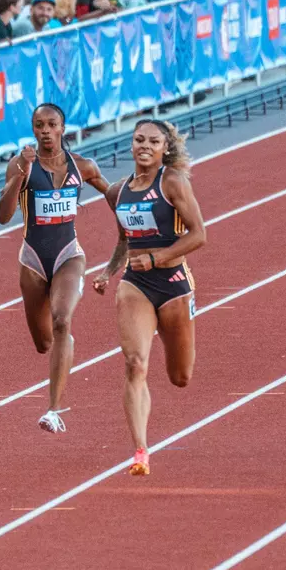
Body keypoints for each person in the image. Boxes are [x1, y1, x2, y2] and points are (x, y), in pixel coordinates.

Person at [93, 120, 207, 475]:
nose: (144, 145)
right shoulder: (117, 192)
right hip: (135, 284)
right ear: (131, 145)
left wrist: (157, 258)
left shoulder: (172, 182)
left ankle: (144, 440)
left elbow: (199, 234)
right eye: (139, 139)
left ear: (164, 148)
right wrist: (109, 271)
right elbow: (124, 241)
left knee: (180, 376)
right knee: (135, 363)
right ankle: (140, 450)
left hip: (173, 281)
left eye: (153, 141)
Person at [0, 103, 108, 433]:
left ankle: (54, 409)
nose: (45, 130)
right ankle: (59, 347)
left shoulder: (83, 166)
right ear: (33, 130)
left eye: (51, 124)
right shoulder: (22, 166)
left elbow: (115, 195)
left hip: (68, 255)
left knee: (62, 320)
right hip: (32, 260)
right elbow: (3, 216)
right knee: (43, 343)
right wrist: (20, 174)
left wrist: (140, 220)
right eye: (39, 125)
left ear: (62, 128)